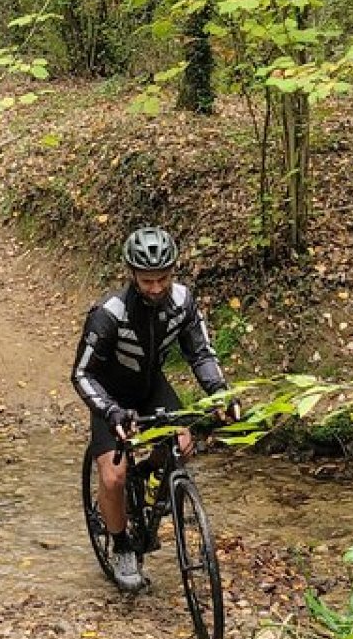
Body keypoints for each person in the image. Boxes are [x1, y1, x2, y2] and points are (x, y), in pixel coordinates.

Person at [71, 226, 237, 592]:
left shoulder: (182, 301)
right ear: (132, 274)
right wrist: (111, 412)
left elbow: (201, 353)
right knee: (113, 476)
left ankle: (149, 477)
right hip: (111, 395)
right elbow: (82, 374)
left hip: (150, 388)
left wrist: (221, 394)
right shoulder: (108, 314)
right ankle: (121, 545)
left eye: (163, 278)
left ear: (173, 271)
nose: (156, 288)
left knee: (182, 442)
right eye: (148, 280)